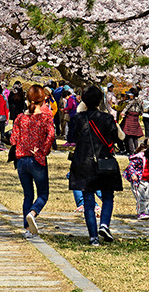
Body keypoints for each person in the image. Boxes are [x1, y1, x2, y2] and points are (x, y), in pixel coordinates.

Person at [67, 85, 122, 245]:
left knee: (88, 200)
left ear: (83, 100)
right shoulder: (107, 118)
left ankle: (93, 238)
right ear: (100, 100)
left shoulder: (77, 118)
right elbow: (116, 138)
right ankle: (104, 224)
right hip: (104, 162)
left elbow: (71, 137)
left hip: (83, 162)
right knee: (108, 196)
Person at [13, 83, 56, 235]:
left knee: (28, 195)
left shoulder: (20, 118)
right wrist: (43, 151)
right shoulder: (45, 116)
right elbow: (51, 135)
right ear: (43, 98)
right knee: (43, 194)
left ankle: (27, 228)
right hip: (37, 159)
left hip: (22, 160)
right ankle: (33, 213)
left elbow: (13, 139)